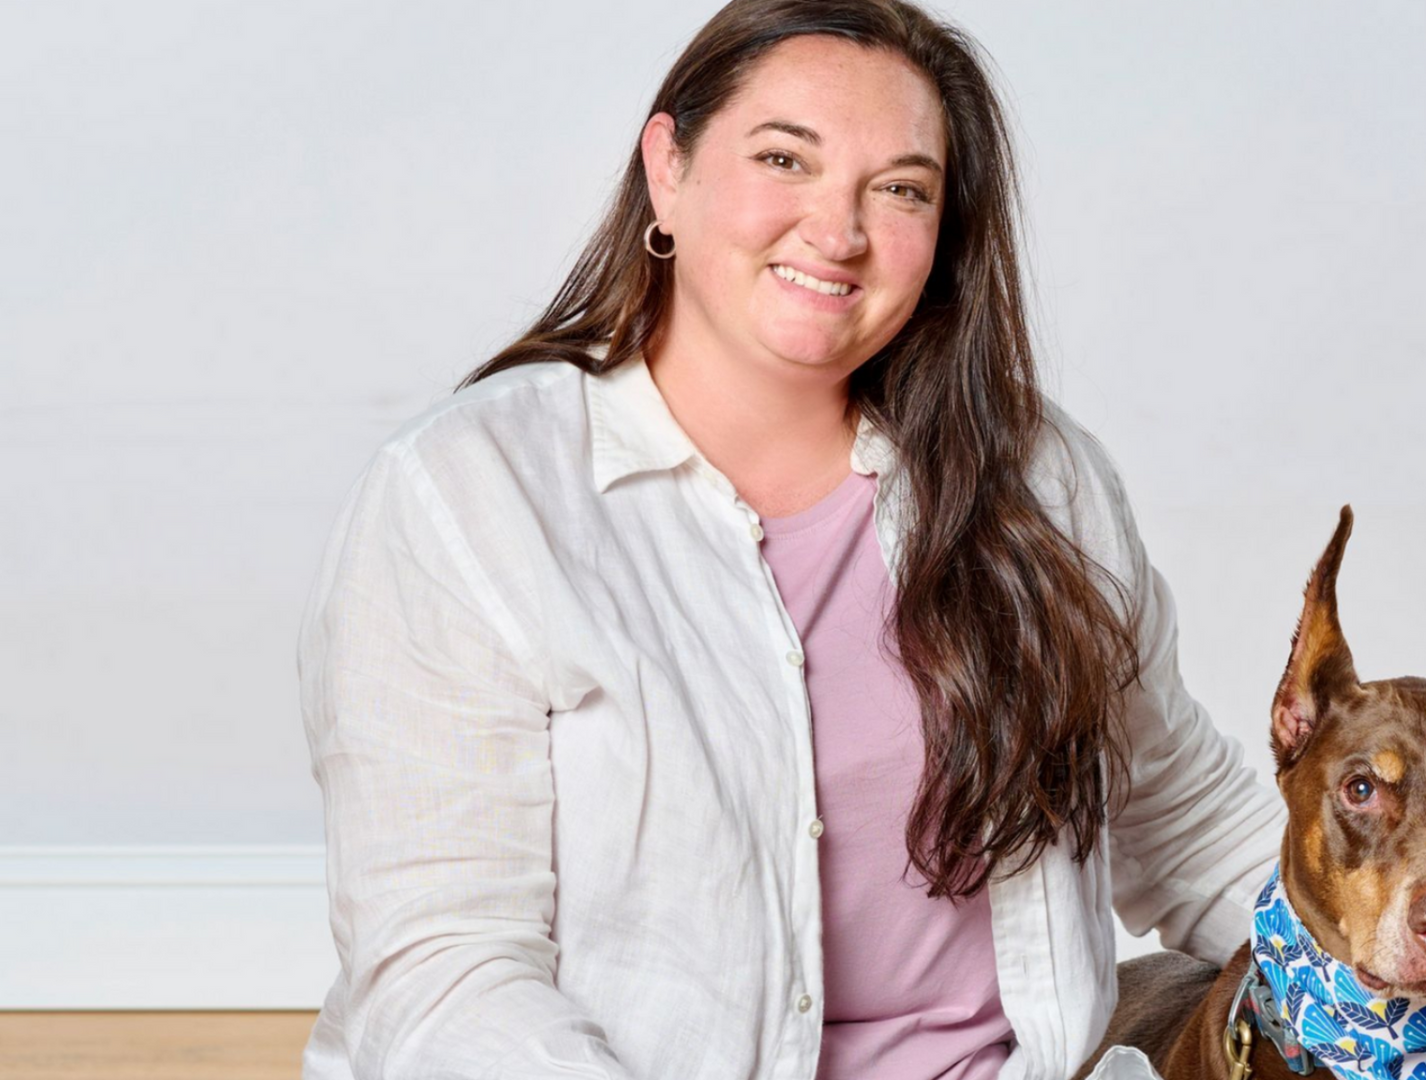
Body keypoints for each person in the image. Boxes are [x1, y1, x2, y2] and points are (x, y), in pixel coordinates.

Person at [295, 1, 1284, 1077]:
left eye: (901, 189)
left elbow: (1186, 820)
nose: (839, 231)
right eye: (784, 159)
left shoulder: (1040, 478)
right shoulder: (469, 495)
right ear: (667, 169)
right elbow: (446, 970)